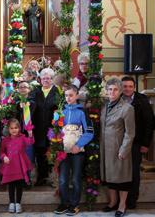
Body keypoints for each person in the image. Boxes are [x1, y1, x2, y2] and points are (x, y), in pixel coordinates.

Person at [54, 85, 94, 216]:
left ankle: (74, 204)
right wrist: (56, 143)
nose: (68, 98)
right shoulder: (60, 112)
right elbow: (54, 131)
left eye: (71, 95)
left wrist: (79, 145)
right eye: (66, 95)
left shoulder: (82, 112)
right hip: (64, 152)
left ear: (77, 96)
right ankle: (64, 203)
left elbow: (89, 132)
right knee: (63, 179)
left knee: (76, 179)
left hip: (78, 151)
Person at [100, 78, 135, 217]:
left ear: (120, 91)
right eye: (110, 89)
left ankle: (122, 205)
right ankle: (112, 202)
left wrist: (124, 150)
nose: (112, 92)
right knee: (110, 177)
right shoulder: (105, 106)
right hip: (105, 148)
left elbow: (130, 132)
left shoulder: (127, 108)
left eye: (115, 89)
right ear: (106, 91)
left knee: (122, 179)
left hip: (118, 148)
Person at [121, 76, 154, 209]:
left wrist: (146, 143)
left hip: (136, 142)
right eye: (125, 86)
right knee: (121, 171)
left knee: (134, 172)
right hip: (119, 142)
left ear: (134, 87)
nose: (127, 89)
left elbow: (149, 122)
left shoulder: (142, 99)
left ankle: (132, 199)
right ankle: (121, 200)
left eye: (130, 86)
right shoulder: (117, 99)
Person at [29, 68, 59, 185]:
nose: (46, 80)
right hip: (38, 128)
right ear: (40, 79)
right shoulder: (35, 92)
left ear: (52, 79)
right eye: (43, 78)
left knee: (52, 152)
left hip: (52, 128)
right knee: (40, 153)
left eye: (48, 78)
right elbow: (29, 105)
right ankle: (41, 177)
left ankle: (53, 178)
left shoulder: (57, 91)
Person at [0, 119, 34, 213]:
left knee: (19, 185)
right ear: (8, 129)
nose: (14, 130)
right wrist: (4, 157)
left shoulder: (22, 137)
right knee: (11, 185)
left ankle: (18, 203)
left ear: (19, 128)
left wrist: (30, 134)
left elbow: (30, 142)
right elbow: (1, 152)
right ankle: (11, 203)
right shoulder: (5, 140)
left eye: (16, 128)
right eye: (11, 128)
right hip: (10, 166)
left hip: (19, 165)